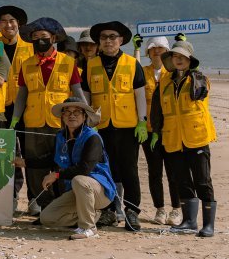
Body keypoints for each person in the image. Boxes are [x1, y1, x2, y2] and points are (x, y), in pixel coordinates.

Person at [13, 18, 87, 214]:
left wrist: (88, 116)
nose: (39, 41)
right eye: (35, 38)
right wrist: (15, 118)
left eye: (44, 37)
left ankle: (62, 206)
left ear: (53, 38)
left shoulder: (68, 62)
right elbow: (22, 95)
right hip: (33, 122)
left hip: (60, 124)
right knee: (34, 167)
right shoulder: (26, 64)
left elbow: (77, 92)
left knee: (60, 164)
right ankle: (42, 206)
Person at [149, 40, 218, 237]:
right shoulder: (164, 82)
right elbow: (157, 110)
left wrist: (194, 75)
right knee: (182, 181)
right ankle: (188, 222)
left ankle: (208, 225)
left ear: (190, 60)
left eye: (182, 57)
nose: (178, 60)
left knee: (203, 182)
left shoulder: (199, 78)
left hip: (196, 137)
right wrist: (156, 131)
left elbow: (200, 92)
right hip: (172, 138)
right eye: (175, 57)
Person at [86, 21, 148, 231]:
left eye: (113, 37)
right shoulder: (91, 64)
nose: (108, 41)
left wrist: (142, 121)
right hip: (101, 127)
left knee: (129, 169)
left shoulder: (132, 64)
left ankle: (132, 211)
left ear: (121, 40)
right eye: (104, 37)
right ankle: (109, 211)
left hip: (128, 125)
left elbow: (140, 95)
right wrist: (88, 122)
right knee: (106, 170)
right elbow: (87, 96)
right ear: (99, 42)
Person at [38, 99, 118, 240]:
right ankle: (94, 215)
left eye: (77, 112)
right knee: (47, 217)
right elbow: (51, 158)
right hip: (78, 191)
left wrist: (56, 175)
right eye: (67, 112)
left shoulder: (93, 137)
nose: (72, 115)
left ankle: (89, 228)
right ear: (62, 116)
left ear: (85, 116)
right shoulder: (61, 136)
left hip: (101, 191)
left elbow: (85, 169)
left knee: (79, 180)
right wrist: (23, 162)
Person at [0, 4, 32, 210]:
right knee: (5, 153)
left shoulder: (31, 48)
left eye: (12, 21)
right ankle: (11, 196)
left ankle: (35, 197)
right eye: (4, 21)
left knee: (28, 152)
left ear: (19, 24)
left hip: (26, 108)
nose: (8, 25)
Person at [140, 36, 180, 225]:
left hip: (169, 130)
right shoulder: (142, 72)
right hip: (148, 131)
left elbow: (190, 68)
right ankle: (160, 209)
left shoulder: (172, 73)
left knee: (173, 171)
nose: (157, 51)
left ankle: (176, 209)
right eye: (153, 48)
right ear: (148, 52)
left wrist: (181, 44)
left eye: (161, 48)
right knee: (154, 171)